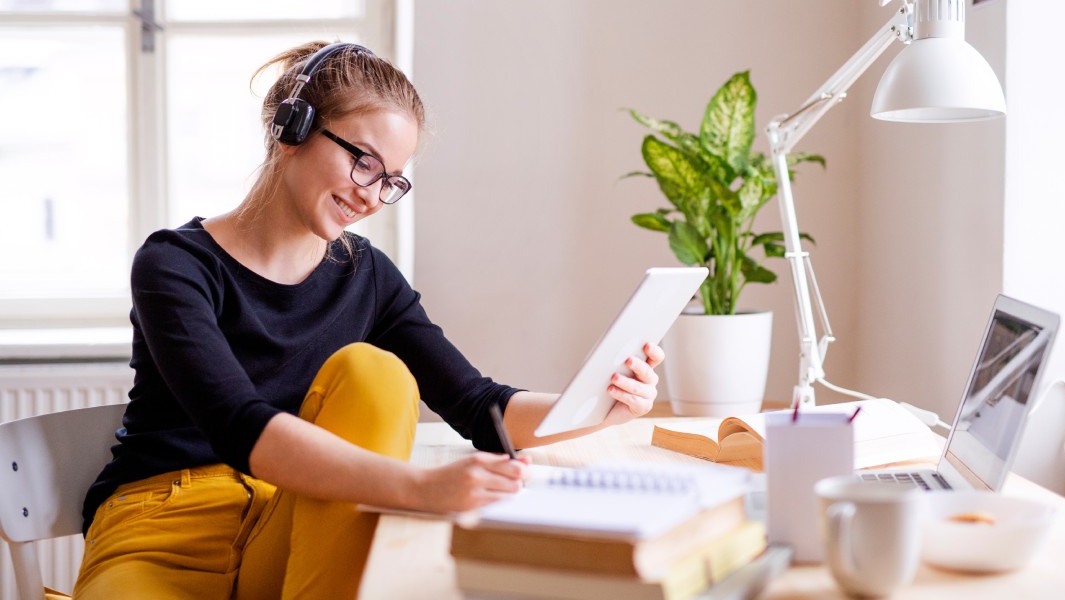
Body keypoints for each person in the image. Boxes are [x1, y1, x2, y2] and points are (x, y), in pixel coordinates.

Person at [71, 41, 664, 599]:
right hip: (164, 525)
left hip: (294, 519)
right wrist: (418, 489)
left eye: (391, 180)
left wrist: (599, 404)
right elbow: (235, 423)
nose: (373, 195)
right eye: (363, 162)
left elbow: (481, 406)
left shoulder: (368, 276)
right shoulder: (175, 263)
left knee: (374, 373)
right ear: (291, 128)